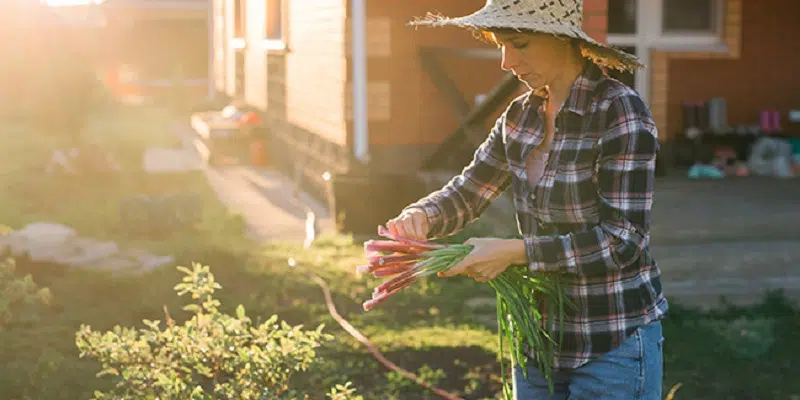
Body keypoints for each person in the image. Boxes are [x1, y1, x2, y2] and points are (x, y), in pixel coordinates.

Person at [386, 1, 669, 399]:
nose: (505, 61)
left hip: (611, 341)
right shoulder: (521, 115)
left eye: (518, 44)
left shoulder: (619, 112)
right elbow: (469, 190)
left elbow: (623, 242)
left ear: (563, 39)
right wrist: (422, 215)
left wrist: (515, 252)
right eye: (501, 44)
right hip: (539, 341)